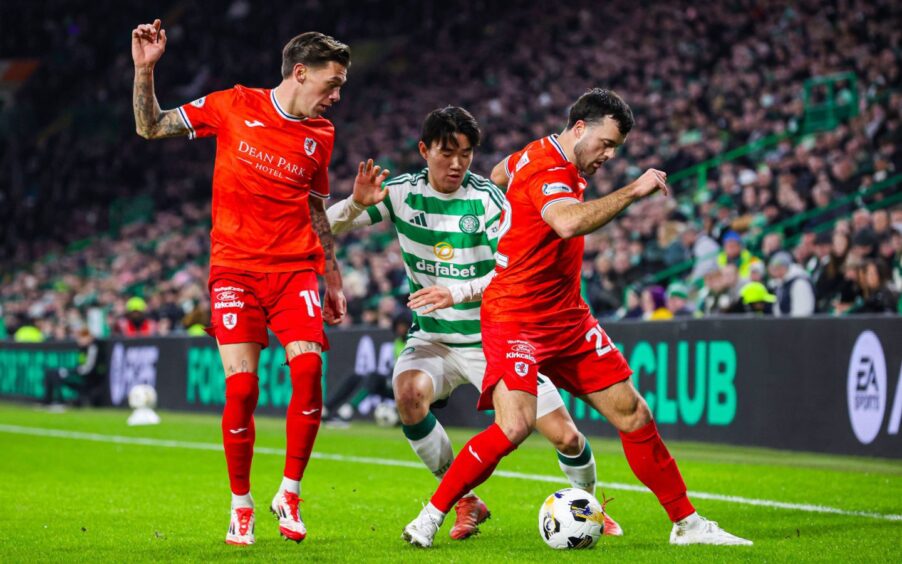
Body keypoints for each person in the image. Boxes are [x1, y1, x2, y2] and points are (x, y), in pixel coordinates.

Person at [401, 89, 751, 547]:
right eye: (605, 144)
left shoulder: (538, 152)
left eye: (616, 149)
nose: (608, 155)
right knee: (514, 427)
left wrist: (515, 229)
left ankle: (687, 524)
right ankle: (429, 517)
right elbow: (566, 222)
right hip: (516, 317)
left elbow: (501, 172)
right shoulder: (549, 168)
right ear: (580, 128)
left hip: (567, 317)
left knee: (632, 413)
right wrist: (635, 189)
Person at [327, 106, 621, 540]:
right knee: (407, 395)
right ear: (425, 150)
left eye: (466, 153)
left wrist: (455, 292)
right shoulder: (401, 192)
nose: (457, 163)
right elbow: (327, 227)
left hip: (496, 335)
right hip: (434, 340)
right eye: (447, 153)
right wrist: (354, 203)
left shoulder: (487, 198)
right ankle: (465, 501)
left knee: (566, 437)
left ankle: (591, 506)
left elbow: (512, 268)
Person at [132, 19, 349, 545]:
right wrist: (145, 71)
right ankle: (242, 503)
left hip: (294, 266)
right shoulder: (233, 105)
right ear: (300, 72)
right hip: (234, 268)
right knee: (244, 388)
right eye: (331, 84)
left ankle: (290, 493)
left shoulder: (321, 136)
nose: (337, 96)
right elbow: (151, 126)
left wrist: (333, 273)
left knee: (310, 373)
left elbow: (317, 210)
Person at [43, 329, 104, 406]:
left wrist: (72, 371)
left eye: (82, 338)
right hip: (79, 373)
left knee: (57, 374)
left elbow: (88, 368)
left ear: (89, 338)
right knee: (51, 372)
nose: (80, 340)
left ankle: (60, 401)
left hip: (88, 378)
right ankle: (48, 401)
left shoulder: (93, 348)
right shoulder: (82, 348)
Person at [767, 252, 815, 317]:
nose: (773, 272)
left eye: (776, 268)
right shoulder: (781, 284)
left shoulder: (799, 283)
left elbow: (802, 313)